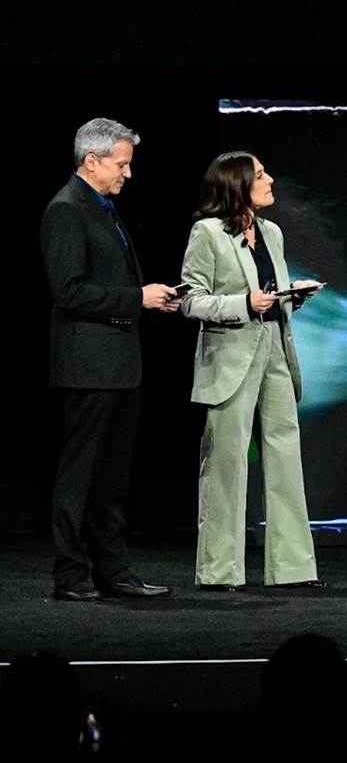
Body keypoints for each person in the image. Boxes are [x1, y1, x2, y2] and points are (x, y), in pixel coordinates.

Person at [41, 117, 178, 601]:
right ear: (91, 161)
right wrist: (135, 298)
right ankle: (71, 574)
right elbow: (69, 290)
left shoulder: (102, 208)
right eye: (122, 164)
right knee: (80, 474)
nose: (128, 173)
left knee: (112, 478)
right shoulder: (67, 210)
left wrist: (149, 299)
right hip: (89, 364)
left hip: (119, 362)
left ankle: (113, 571)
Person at [180, 152, 323, 591]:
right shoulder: (207, 233)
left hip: (275, 348)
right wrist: (243, 305)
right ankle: (220, 571)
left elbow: (268, 291)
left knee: (285, 456)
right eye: (261, 175)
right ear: (238, 185)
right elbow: (191, 300)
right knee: (226, 460)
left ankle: (292, 569)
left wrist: (290, 296)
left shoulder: (271, 232)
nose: (270, 180)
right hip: (230, 355)